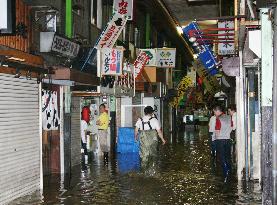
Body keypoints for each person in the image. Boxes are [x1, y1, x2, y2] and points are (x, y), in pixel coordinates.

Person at [213, 105, 233, 182]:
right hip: (228, 139)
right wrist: (227, 133)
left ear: (218, 111)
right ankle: (229, 170)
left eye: (214, 112)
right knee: (228, 156)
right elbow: (232, 127)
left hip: (220, 140)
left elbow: (217, 131)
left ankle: (225, 171)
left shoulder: (218, 119)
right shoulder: (229, 117)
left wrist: (216, 139)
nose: (214, 113)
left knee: (222, 157)